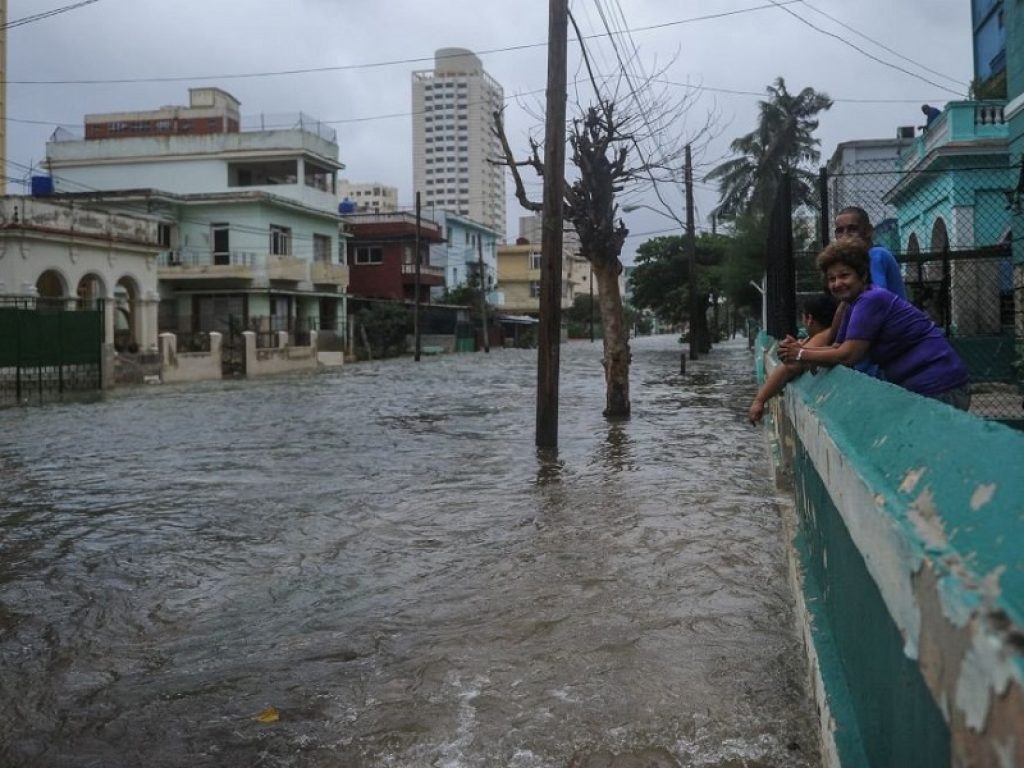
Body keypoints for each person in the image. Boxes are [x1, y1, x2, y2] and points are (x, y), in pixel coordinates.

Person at [777, 240, 970, 410]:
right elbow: (837, 346)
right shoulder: (854, 304)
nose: (837, 283)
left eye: (844, 275)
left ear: (862, 275)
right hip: (919, 387)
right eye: (831, 279)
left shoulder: (871, 299)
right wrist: (803, 352)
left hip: (941, 386)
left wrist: (801, 354)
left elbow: (849, 355)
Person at [748, 292, 838, 425]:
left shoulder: (824, 335)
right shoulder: (819, 336)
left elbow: (790, 367)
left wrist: (759, 400)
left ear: (809, 319)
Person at [833, 206, 906, 299]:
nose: (845, 235)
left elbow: (876, 298)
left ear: (868, 231)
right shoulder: (855, 261)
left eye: (852, 229)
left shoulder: (876, 255)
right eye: (840, 231)